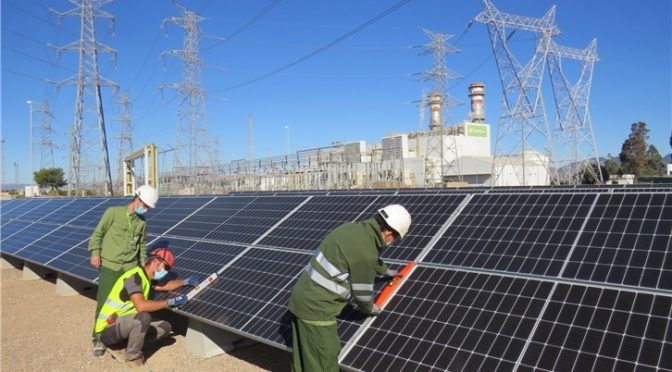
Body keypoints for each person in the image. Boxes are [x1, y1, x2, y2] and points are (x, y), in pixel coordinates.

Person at [287, 204, 412, 372]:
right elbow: (362, 292)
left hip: (301, 298)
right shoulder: (366, 253)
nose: (393, 242)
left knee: (303, 359)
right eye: (395, 238)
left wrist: (384, 270)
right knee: (324, 359)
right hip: (317, 310)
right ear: (389, 233)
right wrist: (370, 308)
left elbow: (359, 254)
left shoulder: (349, 228)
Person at [96, 247, 199, 368]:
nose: (166, 272)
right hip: (107, 329)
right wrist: (169, 302)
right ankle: (132, 358)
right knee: (143, 317)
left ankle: (124, 345)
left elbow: (165, 286)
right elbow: (141, 306)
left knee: (165, 327)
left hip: (125, 324)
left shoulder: (146, 278)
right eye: (165, 267)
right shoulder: (134, 278)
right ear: (156, 262)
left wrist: (185, 282)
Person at [88, 185, 159, 356]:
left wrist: (143, 259)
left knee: (130, 304)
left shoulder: (142, 222)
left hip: (130, 267)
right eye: (145, 205)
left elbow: (142, 243)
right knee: (104, 302)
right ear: (137, 198)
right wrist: (95, 252)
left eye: (149, 207)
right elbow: (98, 234)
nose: (146, 209)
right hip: (110, 266)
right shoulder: (113, 212)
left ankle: (124, 332)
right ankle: (97, 338)